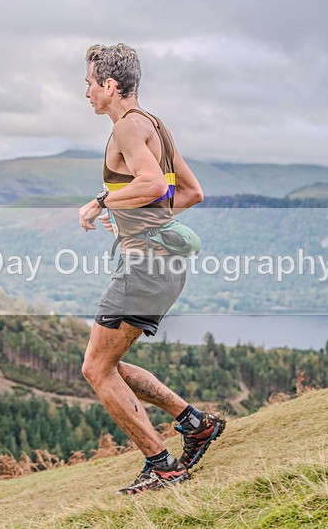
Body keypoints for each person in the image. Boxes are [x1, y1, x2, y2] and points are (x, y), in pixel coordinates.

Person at [78, 43, 226, 495]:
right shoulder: (156, 126)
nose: (85, 92)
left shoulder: (126, 128)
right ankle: (194, 423)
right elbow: (190, 192)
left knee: (96, 370)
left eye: (88, 83)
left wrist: (101, 202)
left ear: (109, 85)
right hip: (161, 263)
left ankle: (163, 466)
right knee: (109, 364)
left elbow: (146, 182)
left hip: (144, 268)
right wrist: (142, 220)